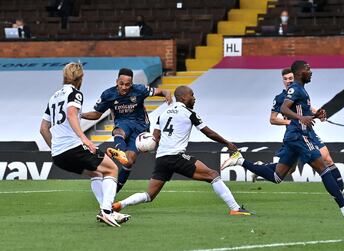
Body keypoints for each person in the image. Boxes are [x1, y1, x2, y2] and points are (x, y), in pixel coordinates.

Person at [222, 61, 344, 219]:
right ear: (299, 73)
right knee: (324, 168)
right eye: (308, 69)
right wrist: (300, 118)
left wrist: (315, 115)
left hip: (294, 137)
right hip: (299, 136)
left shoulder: (301, 90)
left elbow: (302, 114)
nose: (311, 71)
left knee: (278, 177)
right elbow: (284, 109)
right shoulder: (295, 89)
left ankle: (240, 161)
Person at [112, 86, 252, 216]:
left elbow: (155, 139)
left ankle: (120, 204)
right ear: (184, 98)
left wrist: (144, 146)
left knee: (149, 195)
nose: (194, 98)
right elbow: (208, 133)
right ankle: (235, 208)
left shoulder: (163, 114)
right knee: (213, 175)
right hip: (176, 156)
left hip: (161, 158)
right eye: (192, 95)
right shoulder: (189, 113)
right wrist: (227, 143)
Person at [40, 62, 129, 227]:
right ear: (80, 78)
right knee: (112, 169)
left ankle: (107, 210)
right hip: (73, 148)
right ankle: (107, 212)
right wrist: (84, 138)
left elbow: (43, 128)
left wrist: (55, 148)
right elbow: (72, 114)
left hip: (58, 155)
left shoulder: (53, 97)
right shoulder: (75, 94)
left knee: (97, 173)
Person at [81, 68, 172, 193]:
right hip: (123, 123)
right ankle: (120, 152)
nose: (124, 87)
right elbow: (96, 115)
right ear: (116, 81)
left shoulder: (140, 90)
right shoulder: (108, 94)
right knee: (119, 131)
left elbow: (162, 91)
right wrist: (80, 114)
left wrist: (167, 95)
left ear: (132, 83)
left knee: (129, 162)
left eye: (127, 84)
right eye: (121, 84)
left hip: (140, 127)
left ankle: (114, 190)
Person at [269, 68, 344, 198]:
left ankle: (341, 190)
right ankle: (261, 169)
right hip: (295, 136)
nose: (288, 81)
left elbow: (308, 108)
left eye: (290, 78)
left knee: (327, 158)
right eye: (285, 79)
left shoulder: (299, 91)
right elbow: (273, 119)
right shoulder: (280, 98)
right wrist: (291, 122)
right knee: (290, 169)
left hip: (309, 132)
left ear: (295, 78)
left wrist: (318, 114)